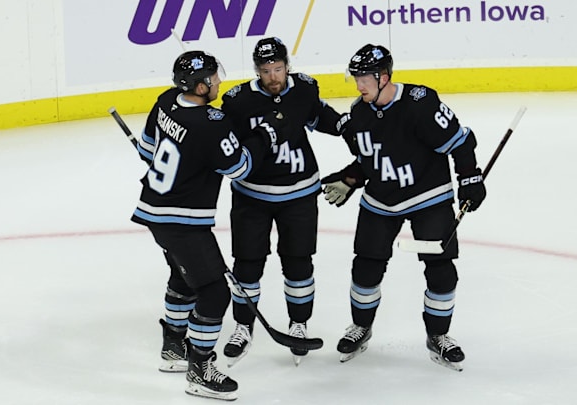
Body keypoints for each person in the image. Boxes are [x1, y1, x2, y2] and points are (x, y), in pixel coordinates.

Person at [320, 44, 487, 371]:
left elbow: (461, 141)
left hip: (429, 197)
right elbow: (371, 160)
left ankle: (438, 335)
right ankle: (361, 326)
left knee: (441, 270)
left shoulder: (420, 104)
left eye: (364, 78)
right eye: (355, 78)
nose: (358, 85)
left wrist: (469, 178)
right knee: (365, 269)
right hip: (380, 202)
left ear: (383, 76)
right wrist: (351, 178)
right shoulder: (360, 112)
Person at [130, 50, 284, 400]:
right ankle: (201, 368)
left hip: (156, 211)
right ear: (200, 86)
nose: (218, 81)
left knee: (184, 278)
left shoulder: (166, 101)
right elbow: (240, 167)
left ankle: (173, 347)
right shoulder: (211, 123)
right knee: (214, 292)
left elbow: (146, 150)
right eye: (213, 77)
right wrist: (266, 136)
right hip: (182, 220)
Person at [220, 37, 344, 366]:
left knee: (298, 263)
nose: (273, 77)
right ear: (256, 71)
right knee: (247, 264)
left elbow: (321, 118)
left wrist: (351, 124)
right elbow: (222, 145)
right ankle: (243, 326)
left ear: (288, 66)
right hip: (251, 196)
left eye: (278, 69)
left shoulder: (304, 90)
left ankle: (299, 324)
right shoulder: (237, 101)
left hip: (300, 195)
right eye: (265, 71)